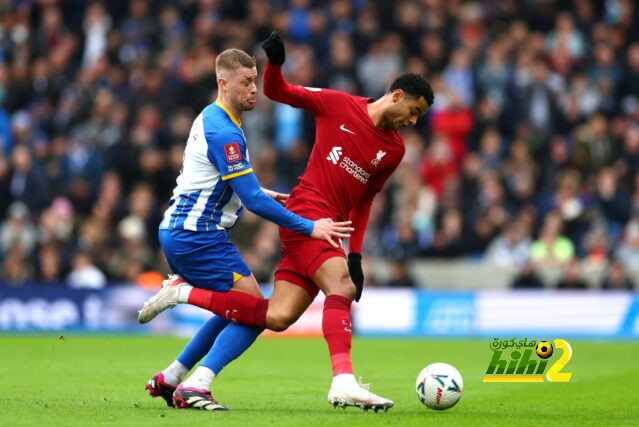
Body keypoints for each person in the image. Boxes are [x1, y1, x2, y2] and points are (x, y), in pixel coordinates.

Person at [139, 32, 433, 411]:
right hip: (307, 215)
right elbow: (280, 91)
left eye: (419, 117)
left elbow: (366, 200)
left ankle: (185, 377)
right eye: (415, 111)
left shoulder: (394, 150)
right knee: (339, 288)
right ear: (396, 96)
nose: (413, 120)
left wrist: (355, 255)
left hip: (325, 226)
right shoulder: (337, 104)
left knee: (271, 315)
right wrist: (275, 63)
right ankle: (343, 380)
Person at [140, 48, 353, 411]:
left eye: (254, 80)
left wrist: (252, 191)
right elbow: (252, 201)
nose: (254, 89)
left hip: (183, 231)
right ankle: (195, 376)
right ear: (223, 83)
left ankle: (171, 377)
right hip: (198, 236)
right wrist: (310, 227)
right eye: (245, 82)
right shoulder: (225, 131)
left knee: (236, 309)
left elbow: (217, 181)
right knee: (255, 310)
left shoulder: (214, 116)